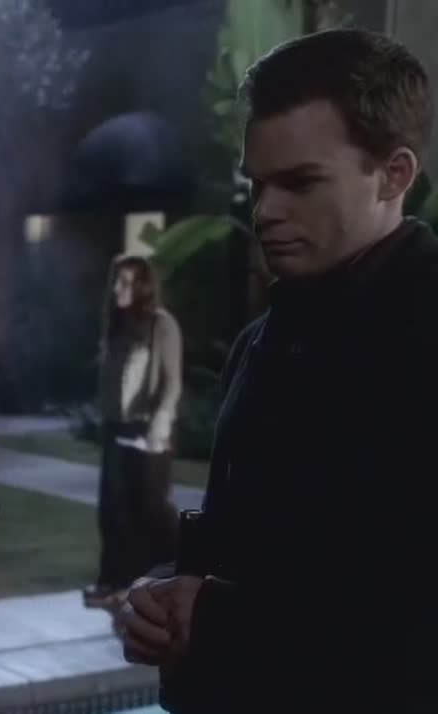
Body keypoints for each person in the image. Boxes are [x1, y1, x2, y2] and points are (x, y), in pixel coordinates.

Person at [116, 28, 438, 713]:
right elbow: (252, 546)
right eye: (257, 184)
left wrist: (216, 617)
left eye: (300, 183)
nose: (265, 212)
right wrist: (167, 596)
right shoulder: (263, 341)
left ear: (394, 174)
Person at [83, 255, 182, 609]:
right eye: (117, 281)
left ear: (142, 287)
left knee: (150, 510)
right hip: (117, 428)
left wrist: (159, 426)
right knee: (112, 509)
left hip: (149, 430)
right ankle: (112, 581)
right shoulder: (118, 325)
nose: (117, 289)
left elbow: (171, 382)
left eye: (125, 282)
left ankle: (168, 575)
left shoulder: (162, 324)